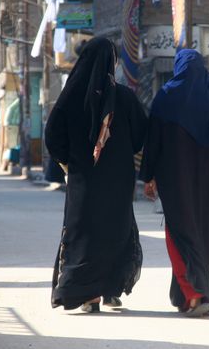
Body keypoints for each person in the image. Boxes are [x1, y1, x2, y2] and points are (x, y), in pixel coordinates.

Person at [140, 49, 209, 317]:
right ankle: (193, 295)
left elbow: (153, 141)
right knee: (204, 231)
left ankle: (196, 294)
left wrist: (148, 175)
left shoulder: (165, 96)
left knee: (178, 231)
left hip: (173, 179)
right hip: (208, 180)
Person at [45, 37, 147, 313]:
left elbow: (52, 135)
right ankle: (111, 288)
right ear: (112, 63)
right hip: (118, 181)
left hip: (83, 180)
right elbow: (141, 135)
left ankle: (88, 295)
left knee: (84, 232)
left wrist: (69, 162)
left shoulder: (70, 96)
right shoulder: (124, 97)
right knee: (116, 230)